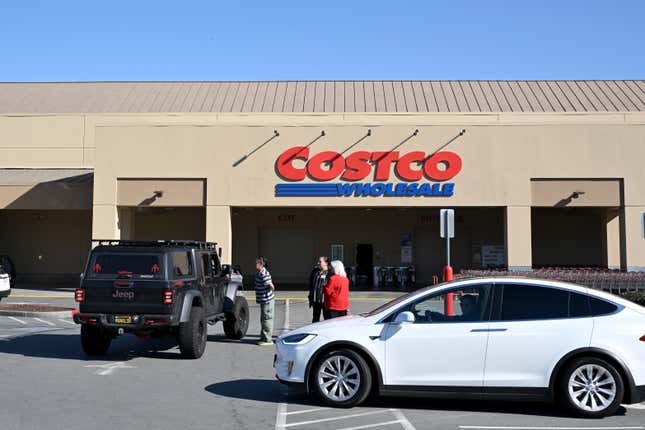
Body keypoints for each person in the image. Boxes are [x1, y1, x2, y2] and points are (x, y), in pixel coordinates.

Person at [254, 257, 275, 346]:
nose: (255, 265)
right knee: (263, 319)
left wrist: (270, 289)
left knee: (267, 319)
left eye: (257, 263)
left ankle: (268, 340)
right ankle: (263, 337)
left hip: (267, 300)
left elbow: (270, 284)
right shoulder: (260, 272)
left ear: (261, 264)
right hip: (263, 300)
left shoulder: (263, 273)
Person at [308, 256, 330, 323]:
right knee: (315, 319)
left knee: (327, 319)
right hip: (315, 300)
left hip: (325, 301)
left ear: (326, 263)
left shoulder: (330, 273)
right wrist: (310, 296)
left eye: (320, 262)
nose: (318, 263)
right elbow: (311, 284)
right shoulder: (315, 271)